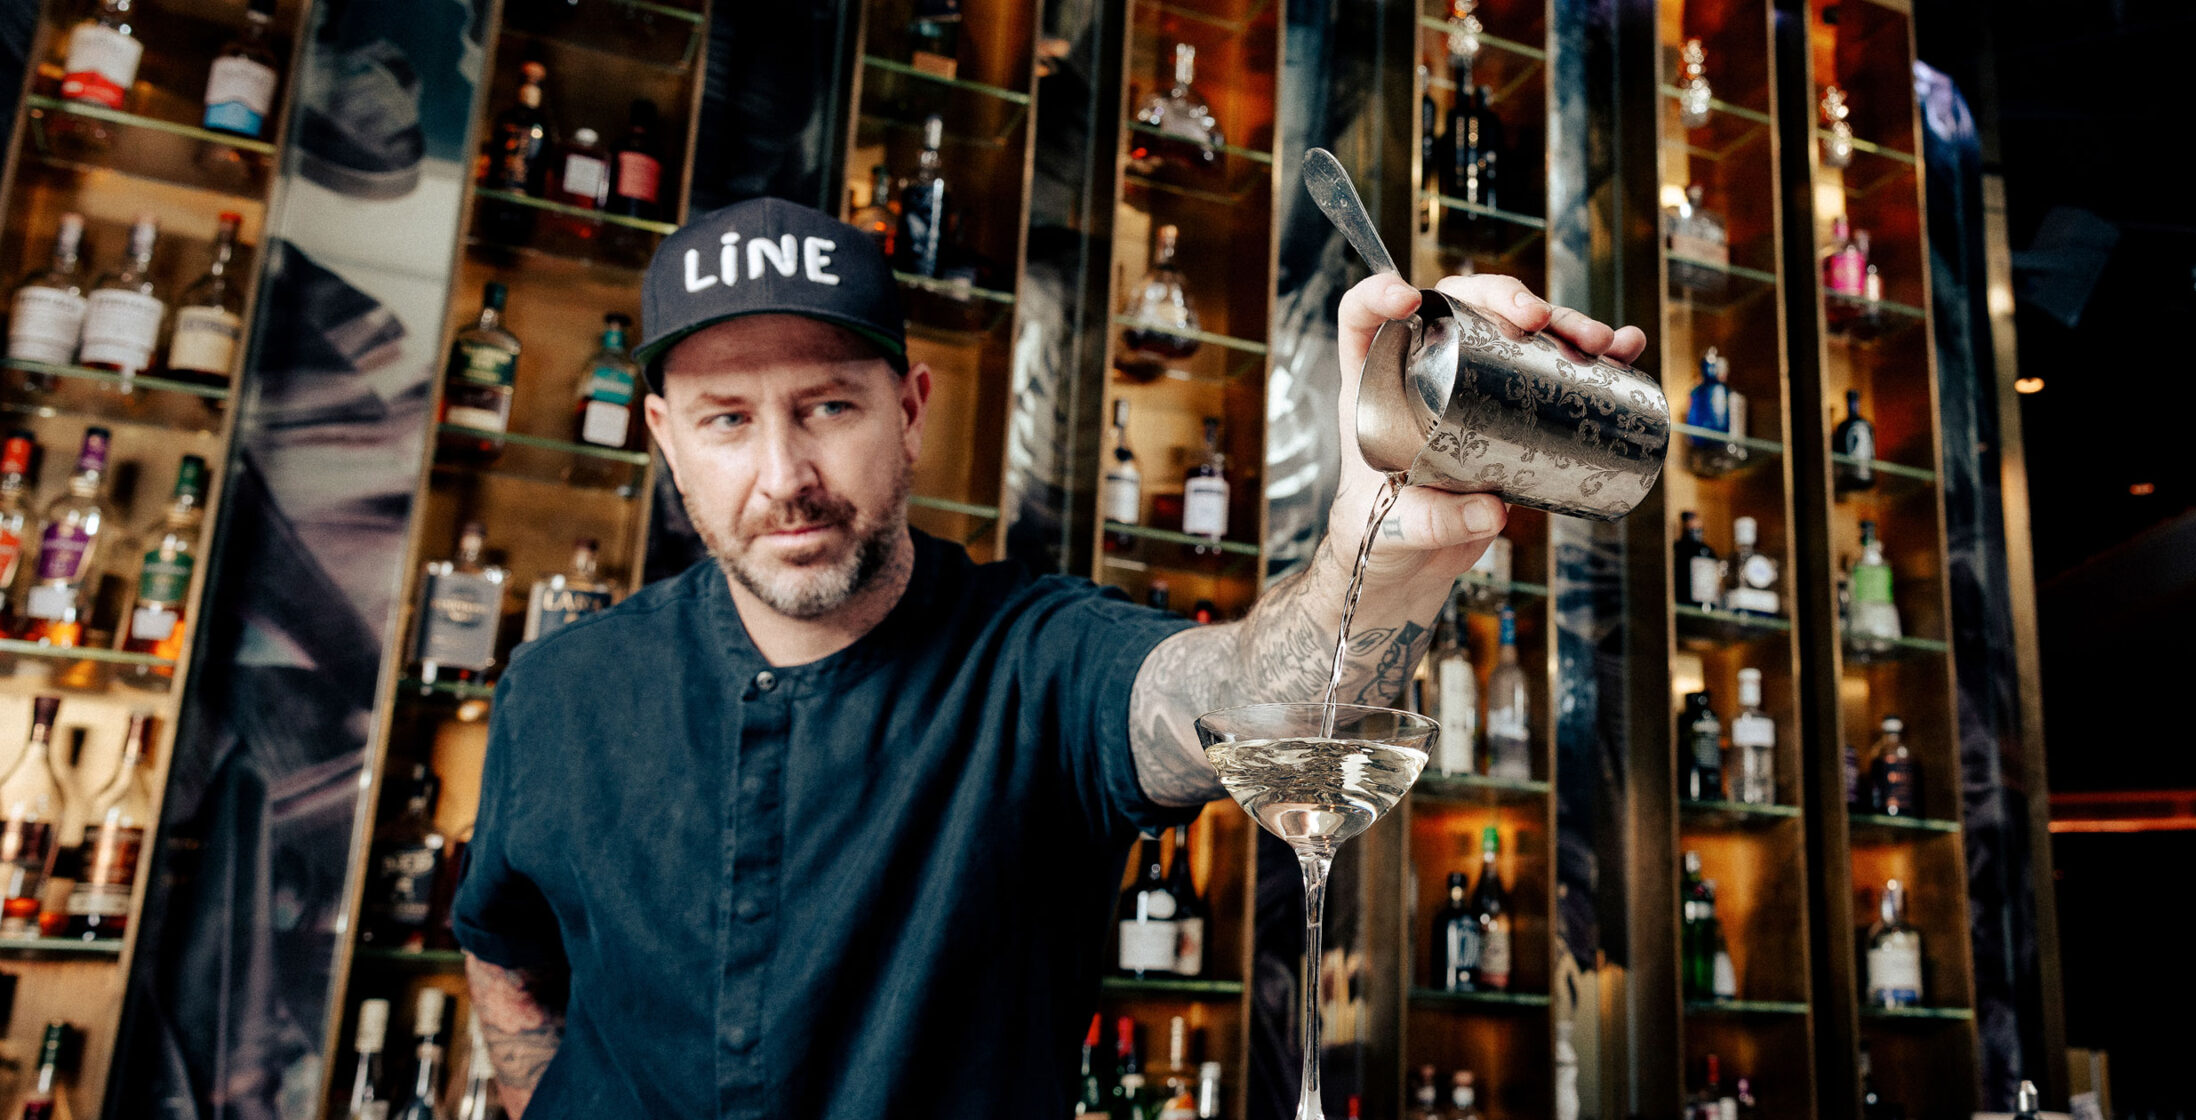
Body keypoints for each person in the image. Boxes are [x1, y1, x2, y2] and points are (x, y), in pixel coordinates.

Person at [450, 197, 1646, 1116]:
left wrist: (1383, 539)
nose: (784, 477)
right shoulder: (558, 691)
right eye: (726, 420)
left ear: (912, 408)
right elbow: (506, 954)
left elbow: (1253, 706)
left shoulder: (1039, 662)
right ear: (662, 436)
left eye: (828, 406)